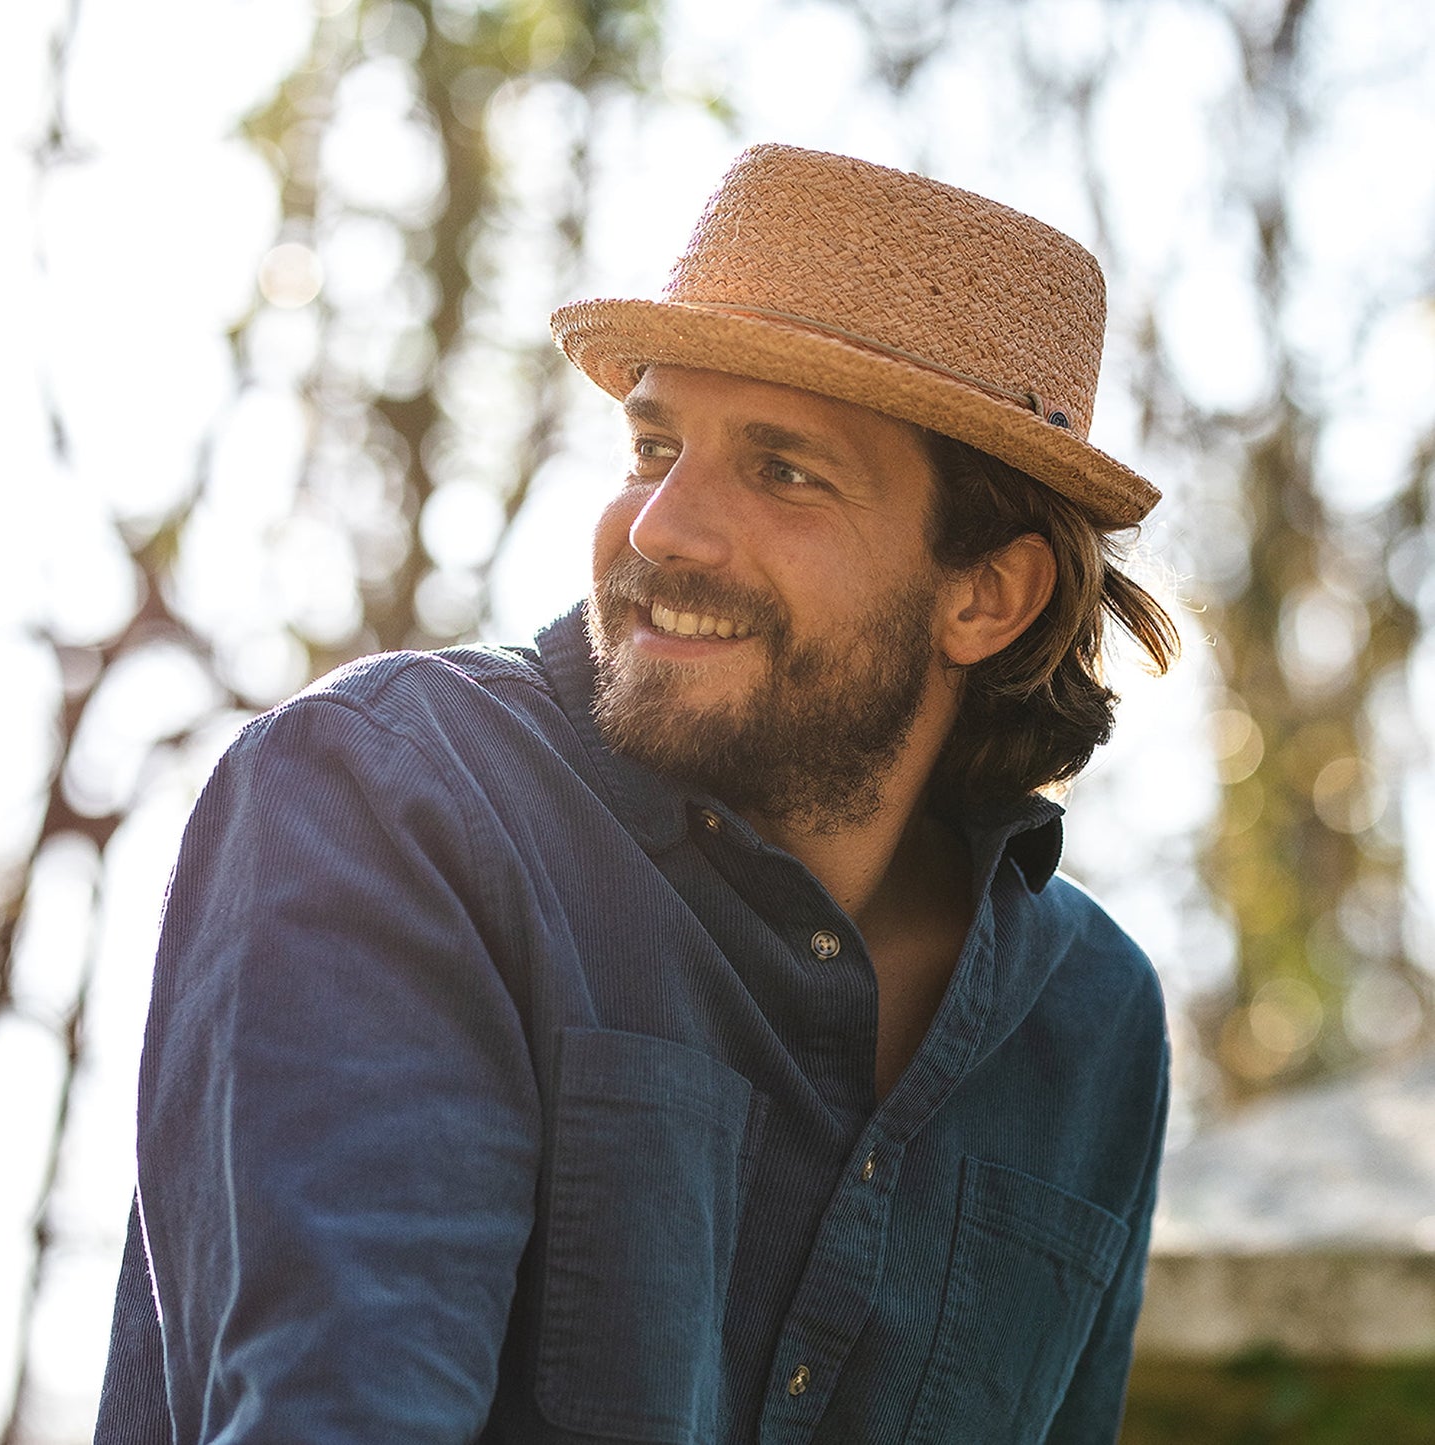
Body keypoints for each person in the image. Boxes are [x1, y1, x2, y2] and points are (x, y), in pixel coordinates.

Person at [94, 143, 1177, 1444]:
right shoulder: (390, 798)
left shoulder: (1094, 1022)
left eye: (783, 471)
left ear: (988, 595)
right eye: (653, 445)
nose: (659, 526)